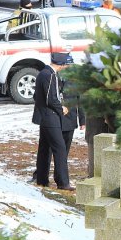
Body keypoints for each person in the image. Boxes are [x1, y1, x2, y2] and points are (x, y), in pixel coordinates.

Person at [32, 52, 76, 191]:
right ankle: (63, 182)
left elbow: (37, 96)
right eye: (65, 64)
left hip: (44, 117)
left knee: (44, 148)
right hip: (51, 117)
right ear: (61, 64)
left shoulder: (42, 73)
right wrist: (60, 108)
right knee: (60, 149)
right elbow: (51, 98)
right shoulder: (50, 75)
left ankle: (42, 179)